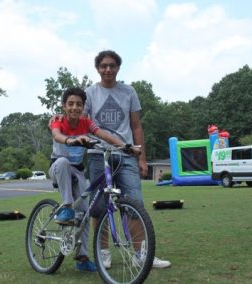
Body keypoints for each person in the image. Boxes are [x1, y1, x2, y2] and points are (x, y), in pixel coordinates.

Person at [83, 50, 171, 269]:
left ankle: (141, 254)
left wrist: (142, 158)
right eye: (103, 66)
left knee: (134, 203)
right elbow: (82, 124)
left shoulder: (128, 92)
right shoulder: (90, 93)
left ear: (118, 68)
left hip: (126, 154)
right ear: (97, 68)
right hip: (97, 154)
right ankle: (103, 252)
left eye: (112, 65)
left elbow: (136, 126)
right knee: (99, 207)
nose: (108, 69)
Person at [49, 87, 138, 272]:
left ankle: (82, 258)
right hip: (58, 168)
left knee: (84, 212)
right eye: (70, 104)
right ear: (64, 106)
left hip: (78, 172)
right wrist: (70, 140)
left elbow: (103, 135)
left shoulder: (85, 123)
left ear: (83, 107)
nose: (74, 107)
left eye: (78, 104)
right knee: (64, 161)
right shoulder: (58, 122)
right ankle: (66, 206)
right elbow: (57, 135)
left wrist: (127, 147)